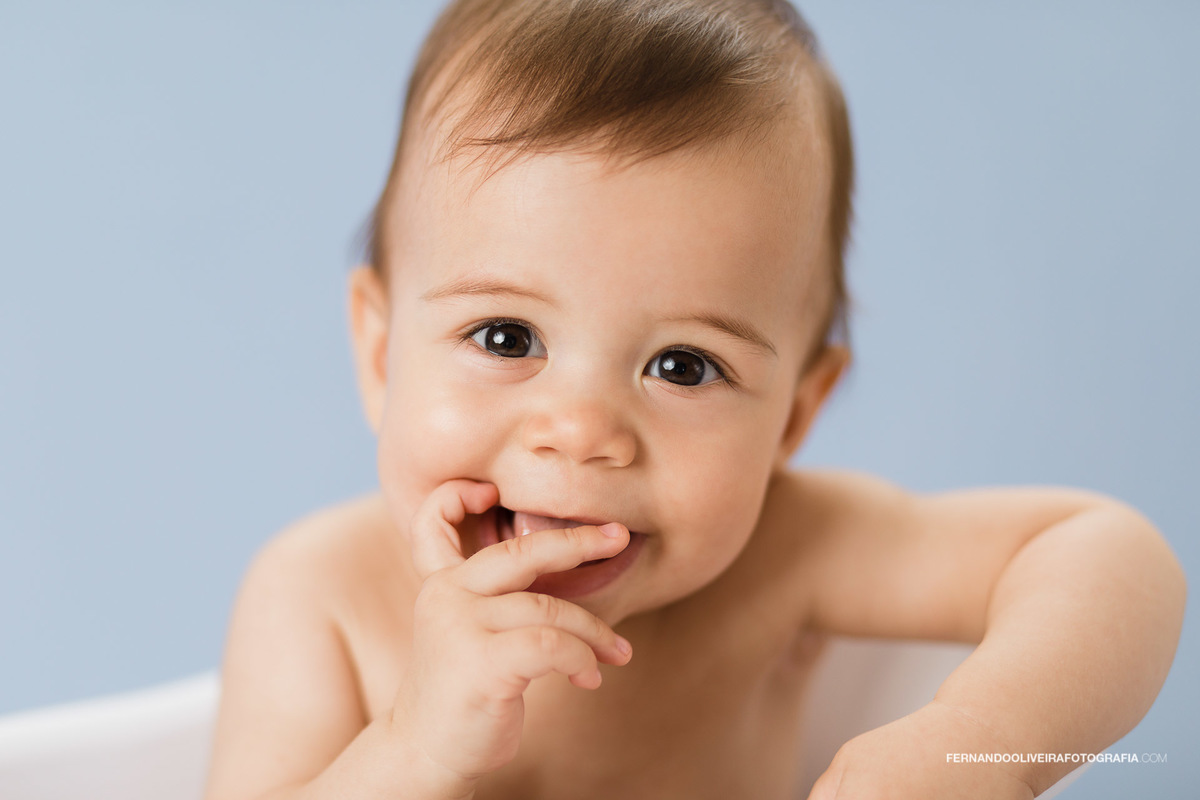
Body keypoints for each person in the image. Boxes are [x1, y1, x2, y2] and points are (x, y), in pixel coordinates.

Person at [202, 1, 1186, 798]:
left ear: (795, 415)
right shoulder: (324, 597)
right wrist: (414, 745)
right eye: (506, 338)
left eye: (683, 365)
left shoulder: (784, 554)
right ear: (380, 354)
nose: (582, 432)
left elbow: (1105, 554)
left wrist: (983, 742)